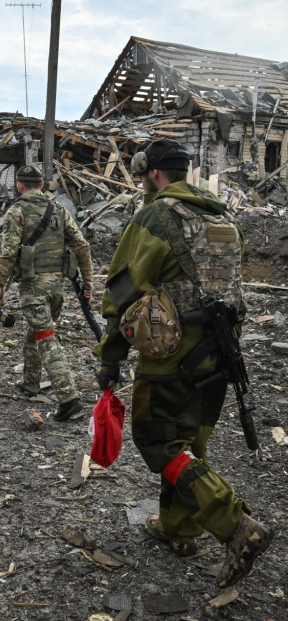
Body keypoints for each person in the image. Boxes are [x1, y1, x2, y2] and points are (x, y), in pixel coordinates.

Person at [93, 139, 272, 587]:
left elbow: (122, 293)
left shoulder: (155, 217)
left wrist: (110, 360)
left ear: (153, 173)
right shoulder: (222, 216)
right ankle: (179, 529)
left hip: (171, 354)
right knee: (190, 437)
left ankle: (235, 525)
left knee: (159, 441)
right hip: (218, 352)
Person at [0, 164, 93, 421]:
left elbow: (7, 253)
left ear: (19, 186)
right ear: (41, 186)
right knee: (36, 332)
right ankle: (30, 383)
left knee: (46, 338)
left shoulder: (16, 212)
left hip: (33, 288)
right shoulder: (59, 210)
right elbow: (82, 246)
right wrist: (89, 282)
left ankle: (69, 398)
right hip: (56, 289)